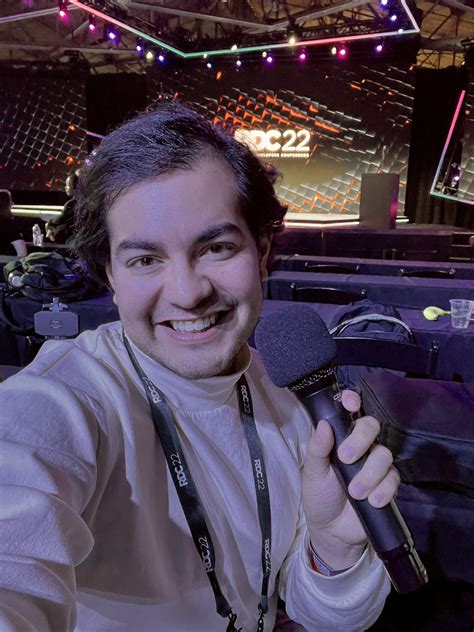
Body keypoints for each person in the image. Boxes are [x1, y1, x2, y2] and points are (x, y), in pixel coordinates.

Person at [0, 104, 399, 631]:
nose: (188, 293)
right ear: (111, 276)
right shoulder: (66, 400)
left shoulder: (290, 396)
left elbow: (325, 616)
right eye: (146, 260)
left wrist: (332, 545)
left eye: (216, 248)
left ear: (261, 251)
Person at [45, 171, 78, 244]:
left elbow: (58, 220)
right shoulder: (86, 200)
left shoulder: (71, 204)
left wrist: (50, 226)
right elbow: (72, 222)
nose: (65, 187)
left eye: (68, 185)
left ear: (74, 187)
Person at [0, 189, 27, 257]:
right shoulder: (8, 224)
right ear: (7, 204)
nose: (13, 203)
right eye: (10, 201)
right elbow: (22, 253)